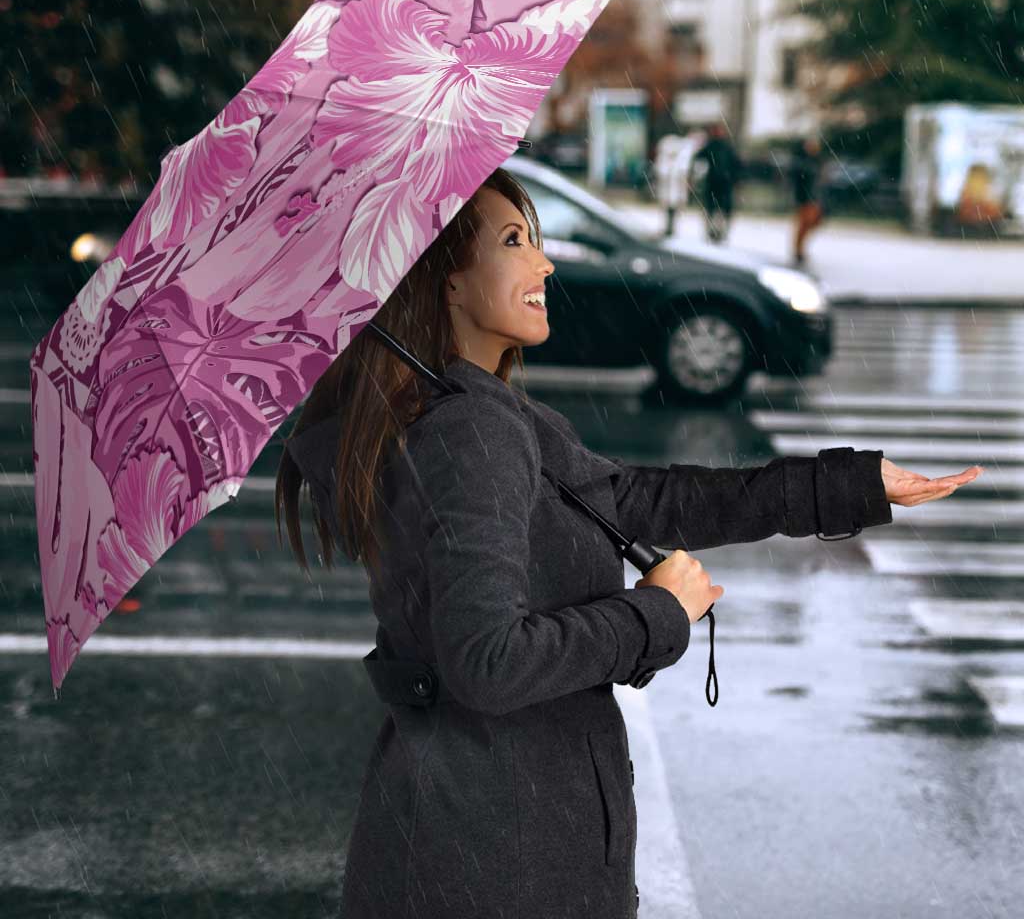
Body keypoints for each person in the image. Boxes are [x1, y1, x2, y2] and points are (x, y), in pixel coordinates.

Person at [275, 166, 970, 919]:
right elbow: (488, 663)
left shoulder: (472, 412)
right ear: (444, 280)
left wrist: (849, 486)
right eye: (514, 241)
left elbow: (638, 500)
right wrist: (657, 614)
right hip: (501, 857)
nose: (543, 263)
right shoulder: (469, 431)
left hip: (477, 836)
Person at [692, 121, 742, 244]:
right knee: (713, 209)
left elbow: (736, 165)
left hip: (723, 183)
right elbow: (698, 159)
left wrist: (735, 179)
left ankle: (719, 232)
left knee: (720, 210)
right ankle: (713, 232)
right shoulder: (712, 146)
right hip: (715, 183)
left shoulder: (725, 147)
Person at [790, 134, 826, 265]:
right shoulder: (802, 162)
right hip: (805, 198)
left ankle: (799, 249)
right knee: (804, 224)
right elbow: (799, 181)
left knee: (812, 223)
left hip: (814, 198)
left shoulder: (817, 161)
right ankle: (798, 250)